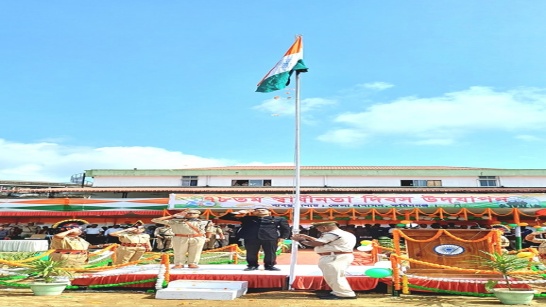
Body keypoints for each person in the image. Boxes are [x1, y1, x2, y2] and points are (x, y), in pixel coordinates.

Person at [291, 221, 357, 300]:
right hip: (339, 256)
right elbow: (322, 241)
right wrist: (307, 237)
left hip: (334, 257)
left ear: (325, 227)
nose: (319, 230)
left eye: (319, 229)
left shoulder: (332, 234)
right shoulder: (345, 233)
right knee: (335, 275)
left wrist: (300, 240)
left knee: (334, 276)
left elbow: (316, 243)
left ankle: (343, 294)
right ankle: (338, 292)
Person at [220, 207, 290, 271]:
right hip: (251, 237)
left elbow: (286, 229)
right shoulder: (248, 218)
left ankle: (269, 265)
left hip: (270, 237)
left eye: (263, 210)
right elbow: (224, 217)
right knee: (251, 253)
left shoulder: (278, 219)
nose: (260, 211)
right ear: (254, 212)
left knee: (270, 253)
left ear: (269, 212)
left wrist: (283, 237)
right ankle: (252, 265)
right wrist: (238, 212)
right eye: (257, 211)